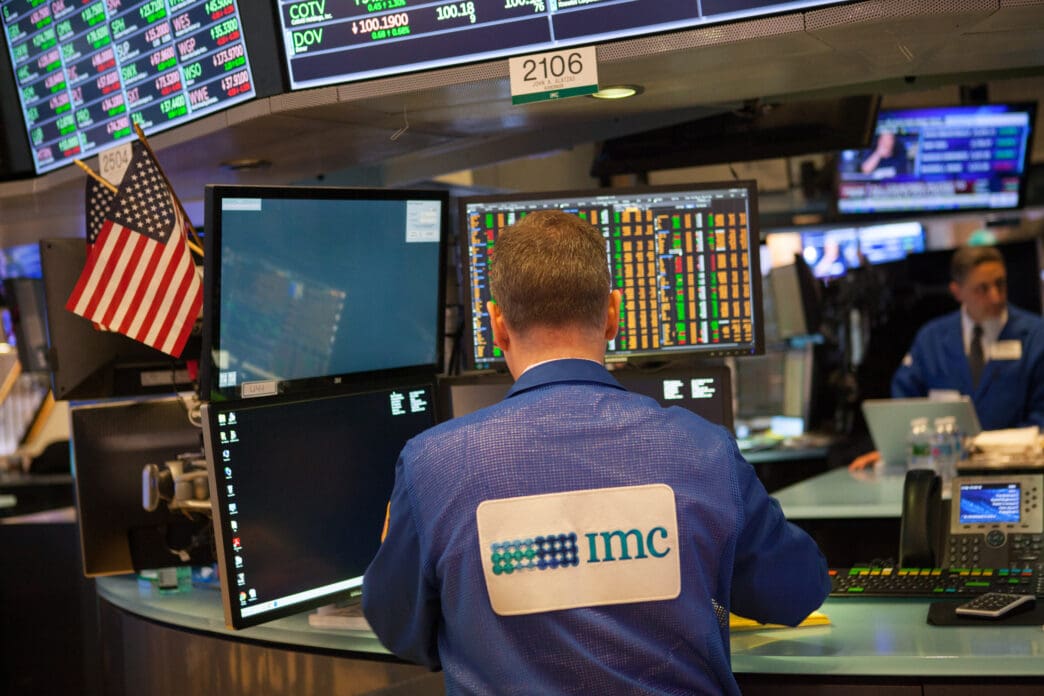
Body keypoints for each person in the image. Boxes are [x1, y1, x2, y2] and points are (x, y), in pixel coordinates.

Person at [363, 210, 830, 694]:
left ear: (497, 325)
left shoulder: (431, 466)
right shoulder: (705, 450)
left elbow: (401, 634)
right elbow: (798, 592)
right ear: (612, 314)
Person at [850, 245, 1044, 470]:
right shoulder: (931, 338)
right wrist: (894, 451)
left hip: (1015, 467)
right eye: (982, 289)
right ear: (957, 291)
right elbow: (904, 405)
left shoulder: (1036, 335)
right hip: (944, 468)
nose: (995, 297)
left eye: (1000, 284)